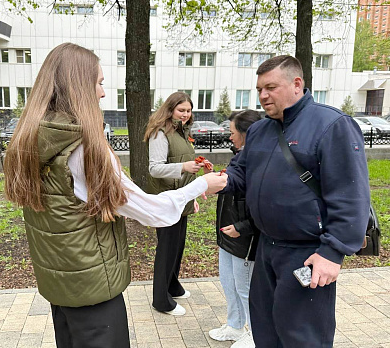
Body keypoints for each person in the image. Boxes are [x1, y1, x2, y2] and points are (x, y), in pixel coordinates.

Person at [3, 43, 227, 348]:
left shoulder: (29, 141)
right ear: (79, 87)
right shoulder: (84, 151)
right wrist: (202, 185)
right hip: (94, 294)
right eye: (99, 83)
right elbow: (154, 212)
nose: (103, 93)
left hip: (60, 288)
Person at [224, 55, 370, 347]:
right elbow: (239, 174)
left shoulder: (332, 125)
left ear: (296, 84)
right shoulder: (259, 130)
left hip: (307, 253)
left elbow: (351, 195)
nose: (263, 95)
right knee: (266, 331)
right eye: (259, 89)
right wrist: (213, 181)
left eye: (271, 87)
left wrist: (333, 252)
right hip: (266, 249)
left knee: (304, 338)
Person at [144, 92, 206, 316]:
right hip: (168, 201)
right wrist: (183, 167)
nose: (186, 115)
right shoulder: (160, 133)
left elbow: (187, 166)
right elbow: (155, 168)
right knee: (167, 250)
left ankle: (172, 285)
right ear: (170, 110)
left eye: (189, 111)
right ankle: (161, 300)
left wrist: (193, 198)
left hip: (182, 200)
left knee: (177, 248)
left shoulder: (182, 132)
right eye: (182, 110)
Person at [209, 110, 261, 348]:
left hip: (245, 236)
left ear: (246, 133)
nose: (229, 137)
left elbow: (264, 203)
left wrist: (243, 227)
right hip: (228, 231)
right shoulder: (240, 156)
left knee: (246, 287)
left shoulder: (261, 161)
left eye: (232, 133)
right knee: (229, 282)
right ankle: (235, 325)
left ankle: (255, 333)